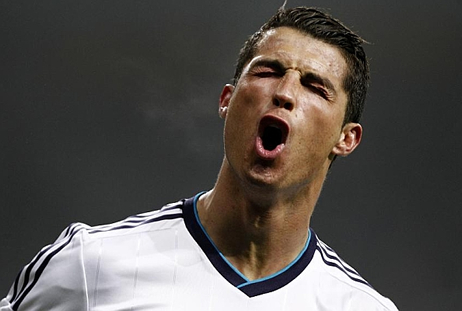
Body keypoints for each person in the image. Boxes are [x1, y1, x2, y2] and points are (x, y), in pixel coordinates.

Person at [1, 6, 398, 311]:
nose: (285, 93)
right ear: (227, 100)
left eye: (315, 87)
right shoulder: (92, 264)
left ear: (346, 139)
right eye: (267, 71)